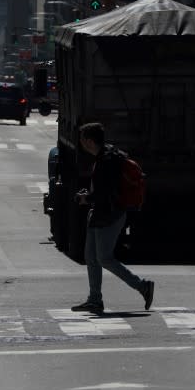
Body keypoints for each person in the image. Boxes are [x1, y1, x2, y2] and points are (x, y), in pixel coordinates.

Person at [71, 122, 154, 314]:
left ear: (90, 141)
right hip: (100, 213)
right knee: (91, 258)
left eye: (83, 140)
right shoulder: (104, 156)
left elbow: (105, 193)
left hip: (110, 215)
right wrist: (90, 197)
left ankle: (143, 286)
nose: (82, 144)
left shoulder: (106, 161)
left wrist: (86, 198)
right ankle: (94, 300)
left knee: (105, 259)